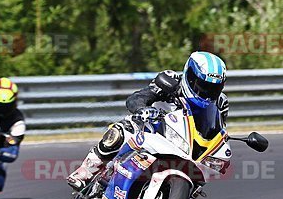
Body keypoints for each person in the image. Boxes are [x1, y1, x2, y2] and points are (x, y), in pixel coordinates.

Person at [67, 51, 228, 190]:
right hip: (152, 131)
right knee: (124, 128)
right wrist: (142, 109)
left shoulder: (221, 103)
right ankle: (85, 171)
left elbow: (217, 131)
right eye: (203, 85)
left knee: (200, 180)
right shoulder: (170, 81)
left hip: (185, 148)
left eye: (213, 88)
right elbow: (136, 98)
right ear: (190, 76)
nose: (206, 92)